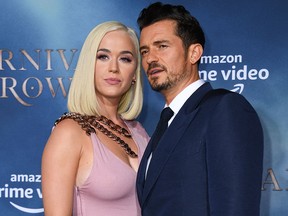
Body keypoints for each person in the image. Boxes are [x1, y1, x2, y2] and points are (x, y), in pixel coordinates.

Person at [136, 2, 264, 216]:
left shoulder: (225, 109)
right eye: (145, 50)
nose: (151, 58)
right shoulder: (165, 122)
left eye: (162, 46)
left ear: (194, 53)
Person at [41, 21, 149, 216]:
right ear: (88, 65)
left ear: (134, 73)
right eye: (103, 57)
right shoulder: (69, 133)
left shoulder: (139, 131)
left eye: (125, 59)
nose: (113, 68)